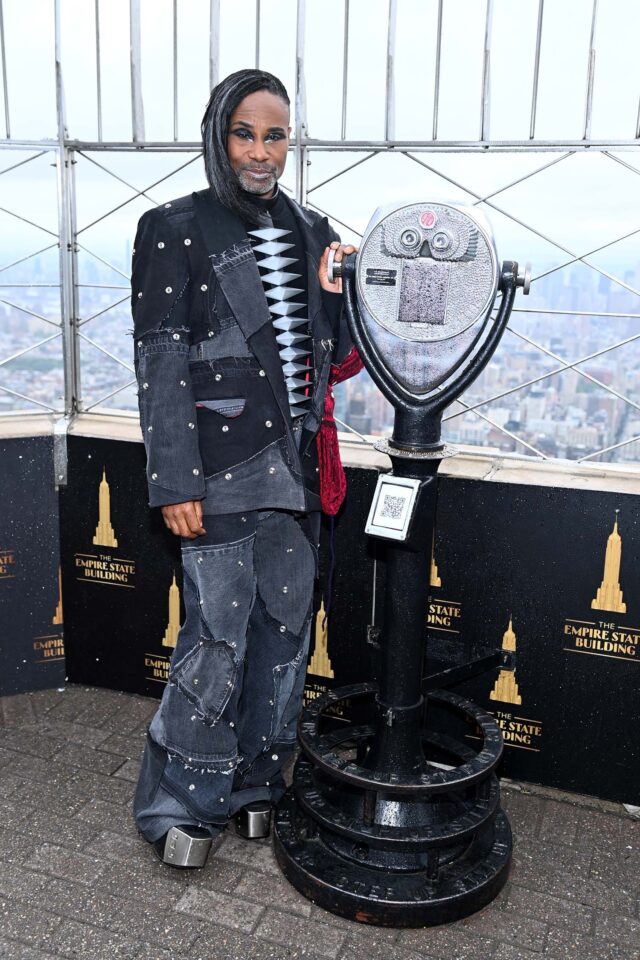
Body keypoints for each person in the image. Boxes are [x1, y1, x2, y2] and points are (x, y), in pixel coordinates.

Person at [130, 68, 359, 868]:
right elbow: (160, 363)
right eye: (246, 133)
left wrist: (344, 290)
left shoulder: (313, 229)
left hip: (294, 476)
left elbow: (335, 357)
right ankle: (179, 802)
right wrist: (175, 482)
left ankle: (259, 782)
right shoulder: (174, 227)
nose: (262, 152)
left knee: (286, 635)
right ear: (218, 136)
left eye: (276, 135)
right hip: (218, 475)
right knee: (215, 641)